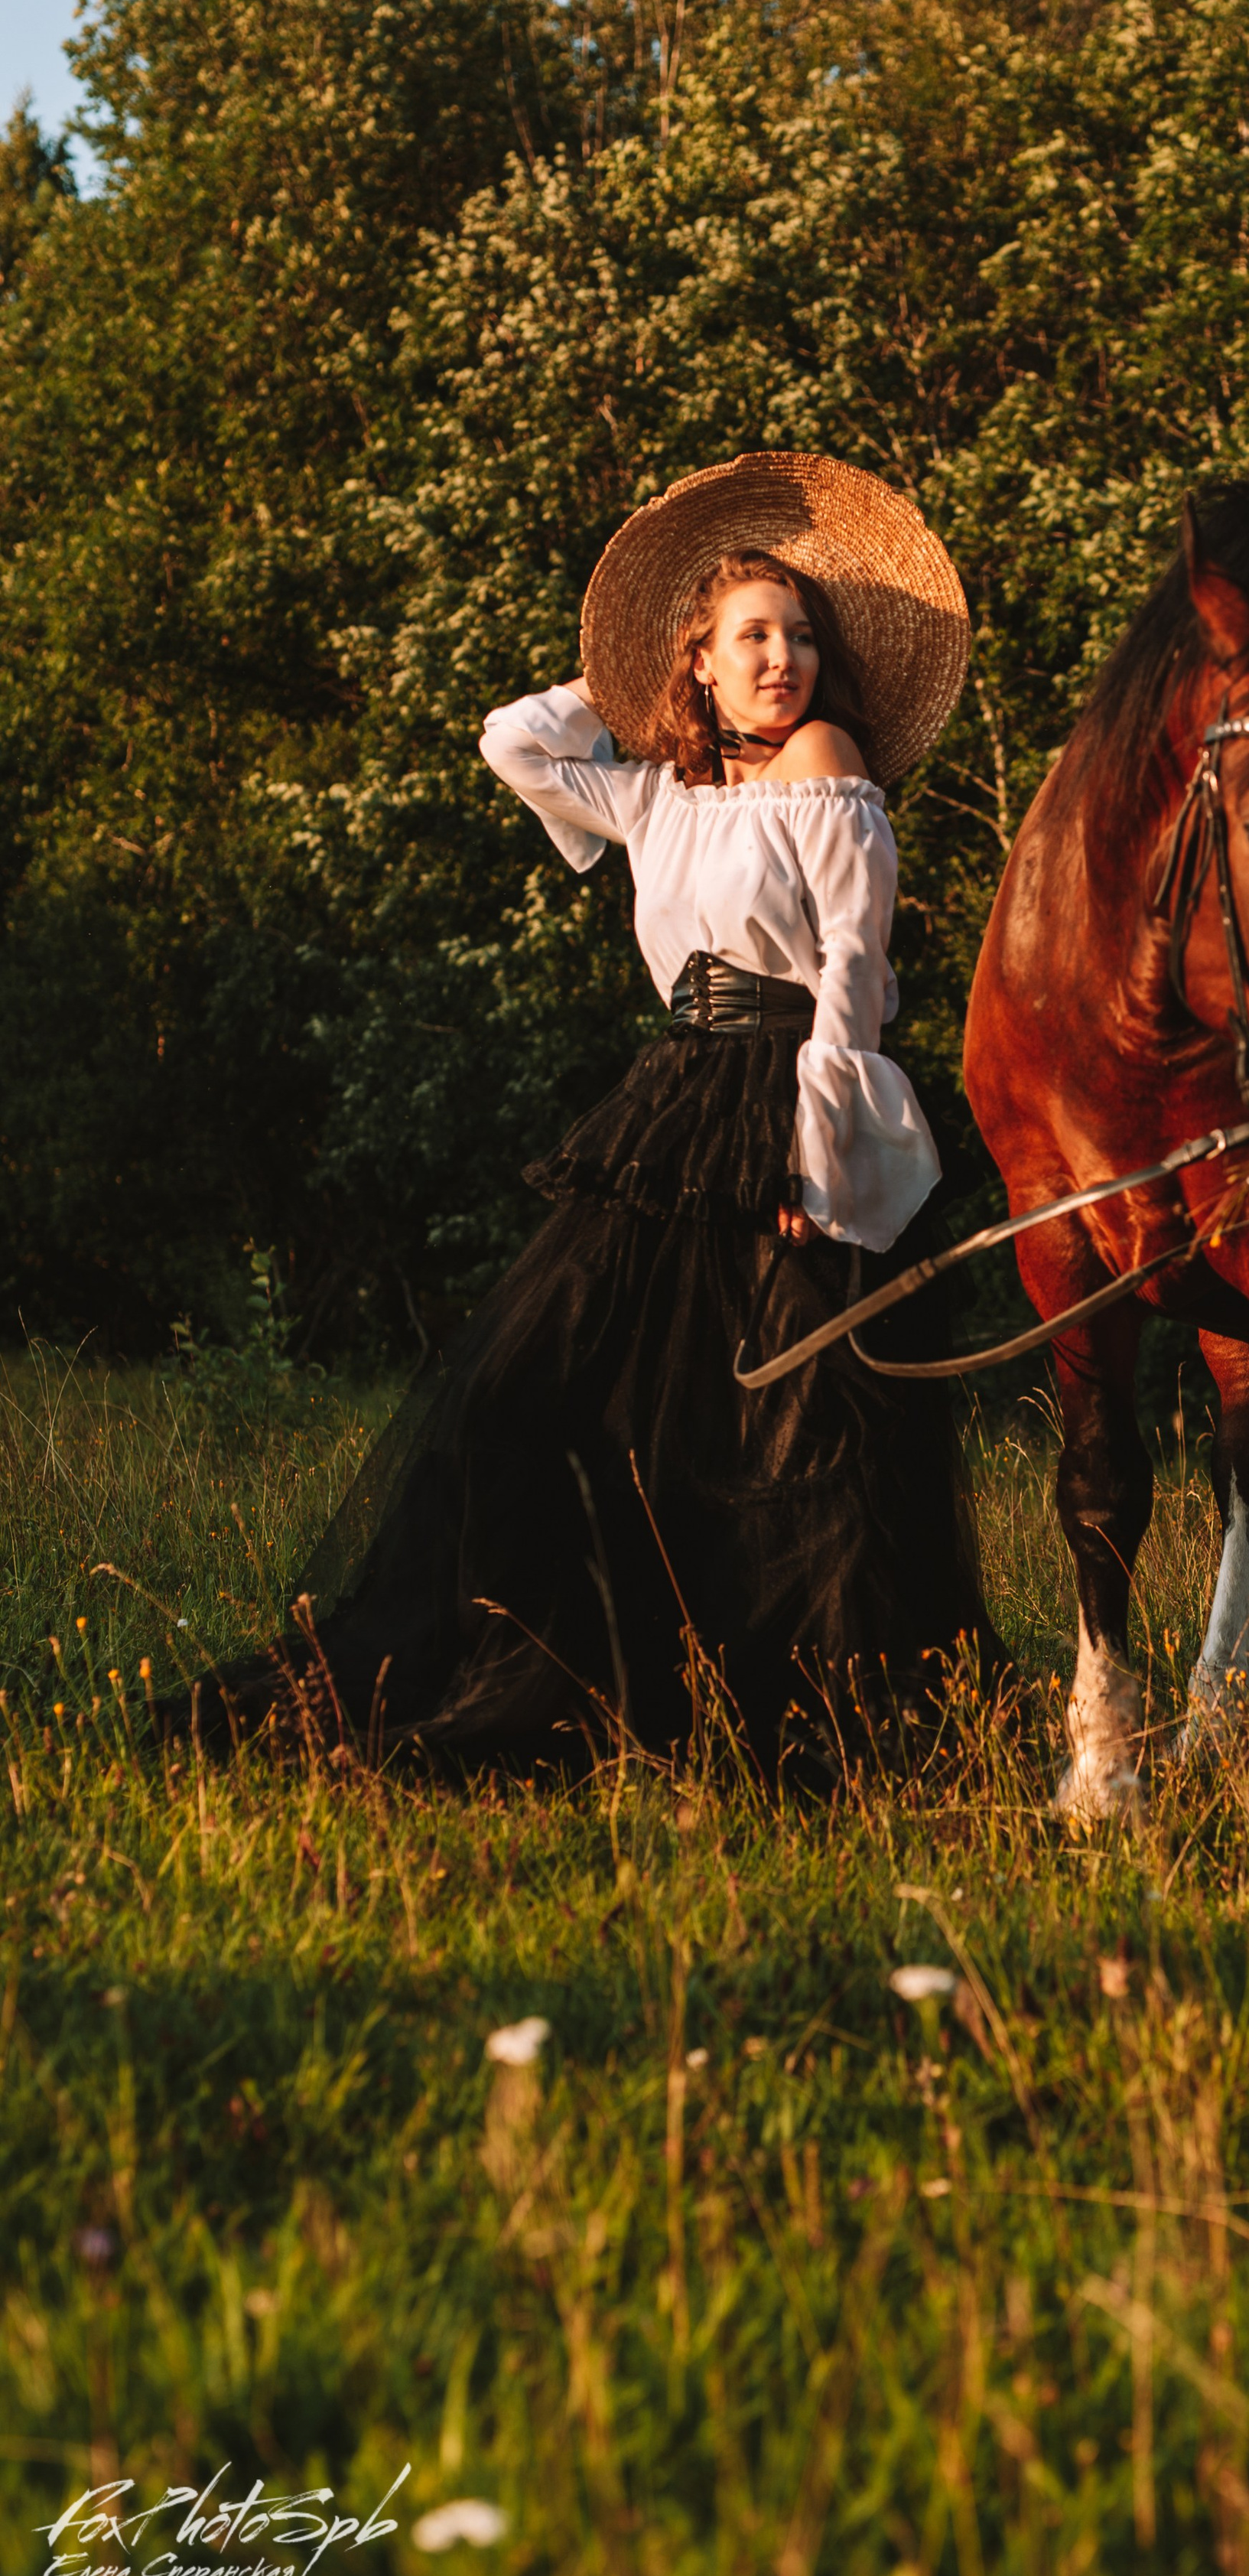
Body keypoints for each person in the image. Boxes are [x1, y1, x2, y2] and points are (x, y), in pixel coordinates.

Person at [191, 453, 990, 1782]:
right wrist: (627, 686)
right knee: (544, 1395)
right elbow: (512, 740)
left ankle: (816, 1726)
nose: (783, 660)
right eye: (753, 638)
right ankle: (595, 1679)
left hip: (792, 1100)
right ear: (703, 660)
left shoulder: (831, 768)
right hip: (674, 1107)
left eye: (800, 638)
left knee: (792, 1426)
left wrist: (825, 1147)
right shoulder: (658, 793)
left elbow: (853, 971)